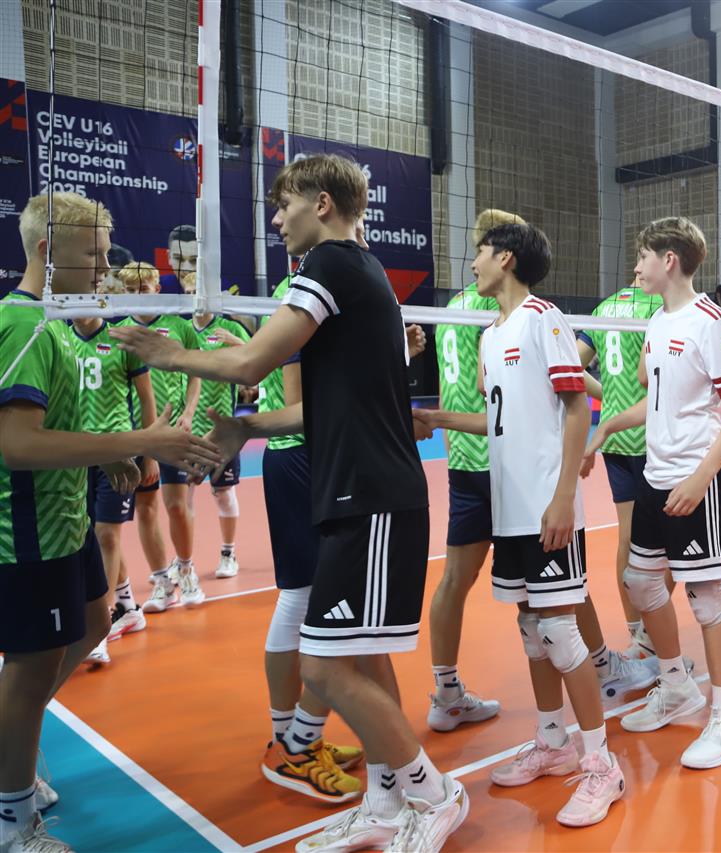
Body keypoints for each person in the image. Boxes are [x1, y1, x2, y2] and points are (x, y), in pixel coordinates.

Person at [113, 153, 466, 851]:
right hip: (358, 492)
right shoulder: (361, 272)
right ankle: (386, 801)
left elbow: (252, 362)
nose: (277, 220)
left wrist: (167, 352)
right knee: (363, 658)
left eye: (285, 205)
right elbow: (320, 407)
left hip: (371, 497)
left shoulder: (330, 264)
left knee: (326, 666)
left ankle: (434, 791)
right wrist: (245, 426)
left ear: (322, 204)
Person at [0, 192, 220, 853]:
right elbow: (17, 443)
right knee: (31, 667)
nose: (105, 268)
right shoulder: (23, 323)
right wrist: (141, 441)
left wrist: (112, 452)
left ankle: (13, 745)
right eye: (94, 254)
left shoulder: (60, 324)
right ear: (47, 251)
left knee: (98, 620)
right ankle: (13, 821)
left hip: (66, 516)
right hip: (28, 528)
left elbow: (57, 424)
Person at [418, 221, 625, 827]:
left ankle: (602, 765)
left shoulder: (543, 319)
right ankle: (553, 740)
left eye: (481, 252)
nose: (473, 263)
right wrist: (441, 419)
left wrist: (563, 497)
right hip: (509, 508)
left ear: (506, 258)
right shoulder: (491, 335)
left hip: (545, 505)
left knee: (560, 631)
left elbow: (578, 407)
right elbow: (500, 420)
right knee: (533, 629)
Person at [585, 216, 721, 768]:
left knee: (706, 596)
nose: (636, 267)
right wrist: (610, 425)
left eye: (643, 257)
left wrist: (702, 477)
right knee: (641, 581)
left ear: (669, 260)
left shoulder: (711, 322)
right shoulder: (658, 321)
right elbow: (657, 400)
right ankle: (676, 682)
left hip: (695, 479)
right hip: (655, 476)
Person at [255, 270, 368, 804]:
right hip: (302, 458)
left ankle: (295, 739)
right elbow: (300, 407)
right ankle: (292, 744)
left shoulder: (323, 288)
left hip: (316, 459)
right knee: (312, 598)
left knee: (315, 597)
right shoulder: (306, 292)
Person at [427, 209, 515, 732]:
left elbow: (449, 386)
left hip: (462, 457)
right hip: (501, 455)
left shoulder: (452, 306)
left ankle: (446, 693)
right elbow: (491, 385)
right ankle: (595, 668)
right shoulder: (496, 307)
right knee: (550, 576)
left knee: (456, 579)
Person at [575, 271, 665, 655]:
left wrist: (607, 395)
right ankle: (652, 632)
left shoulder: (603, 308)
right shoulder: (658, 306)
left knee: (626, 536)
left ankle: (635, 632)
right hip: (648, 434)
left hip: (613, 437)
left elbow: (572, 367)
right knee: (665, 542)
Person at [67, 296, 158, 665]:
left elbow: (147, 399)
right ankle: (127, 605)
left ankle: (99, 630)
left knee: (107, 534)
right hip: (76, 453)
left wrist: (149, 452)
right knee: (88, 535)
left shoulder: (121, 340)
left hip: (119, 453)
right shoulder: (60, 338)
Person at [114, 262, 198, 612]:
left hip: (172, 431)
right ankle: (162, 583)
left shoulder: (179, 326)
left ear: (156, 289)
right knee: (146, 509)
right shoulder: (119, 332)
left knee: (176, 506)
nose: (137, 296)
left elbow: (195, 373)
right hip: (135, 433)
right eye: (130, 291)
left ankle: (186, 569)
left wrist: (189, 413)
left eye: (143, 289)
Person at [184, 281, 250, 579]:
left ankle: (228, 552)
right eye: (190, 294)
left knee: (222, 493)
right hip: (187, 429)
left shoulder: (229, 328)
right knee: (182, 497)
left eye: (199, 293)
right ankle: (183, 561)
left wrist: (236, 342)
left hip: (222, 430)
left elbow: (258, 358)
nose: (195, 299)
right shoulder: (181, 329)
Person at [157, 224, 196, 295]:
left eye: (194, 260)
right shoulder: (155, 286)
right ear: (169, 257)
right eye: (179, 259)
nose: (186, 269)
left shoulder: (217, 288)